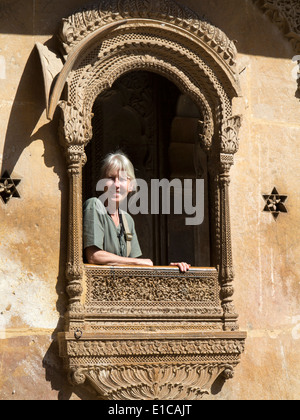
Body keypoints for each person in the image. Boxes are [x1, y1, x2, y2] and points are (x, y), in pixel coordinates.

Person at [83, 152, 190, 272]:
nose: (117, 184)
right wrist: (137, 261)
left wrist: (170, 270)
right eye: (111, 178)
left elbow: (137, 270)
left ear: (130, 186)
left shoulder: (127, 220)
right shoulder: (94, 205)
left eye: (123, 179)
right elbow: (94, 256)